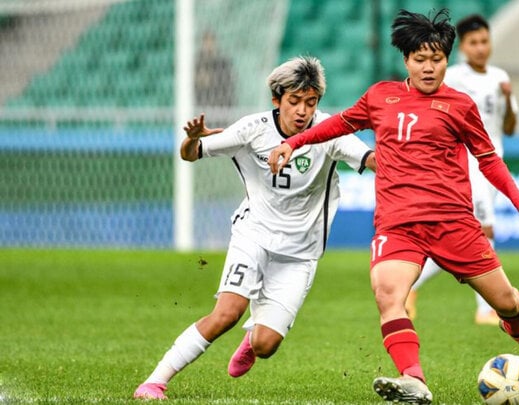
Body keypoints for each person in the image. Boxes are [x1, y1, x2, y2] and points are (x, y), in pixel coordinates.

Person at [269, 9, 519, 404]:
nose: (428, 67)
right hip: (397, 225)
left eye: (436, 59)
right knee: (388, 294)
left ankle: (517, 329)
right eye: (420, 59)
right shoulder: (380, 96)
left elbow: (487, 158)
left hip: (454, 223)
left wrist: (518, 200)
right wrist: (293, 142)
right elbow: (338, 124)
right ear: (407, 60)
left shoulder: (460, 105)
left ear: (446, 61)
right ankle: (414, 380)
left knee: (508, 302)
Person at [133, 56, 376, 400]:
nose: (303, 111)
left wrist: (405, 153)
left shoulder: (330, 131)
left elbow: (369, 159)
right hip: (254, 236)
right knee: (226, 314)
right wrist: (190, 139)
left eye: (310, 102)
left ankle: (252, 341)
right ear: (277, 100)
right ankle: (155, 381)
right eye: (294, 101)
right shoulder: (253, 129)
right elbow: (191, 153)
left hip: (300, 254)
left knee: (266, 345)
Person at [405, 13, 518, 326]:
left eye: (484, 41)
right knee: (485, 230)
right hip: (465, 162)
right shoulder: (450, 75)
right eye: (473, 43)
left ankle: (410, 287)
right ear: (463, 47)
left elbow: (510, 128)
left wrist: (508, 100)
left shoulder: (500, 77)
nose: (480, 48)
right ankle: (487, 309)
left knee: (462, 236)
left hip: (492, 161)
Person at [195, 30, 235, 107]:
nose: (209, 45)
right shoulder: (197, 63)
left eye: (211, 41)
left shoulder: (223, 63)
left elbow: (228, 84)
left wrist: (212, 79)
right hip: (201, 104)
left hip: (220, 104)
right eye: (206, 42)